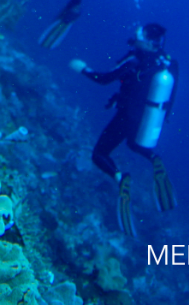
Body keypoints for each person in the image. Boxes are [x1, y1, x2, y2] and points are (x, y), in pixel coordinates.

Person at [69, 23, 178, 237]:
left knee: (99, 154)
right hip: (147, 119)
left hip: (126, 118)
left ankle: (120, 177)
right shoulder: (167, 63)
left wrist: (82, 68)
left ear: (147, 41)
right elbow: (165, 97)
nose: (135, 36)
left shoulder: (134, 60)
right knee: (134, 144)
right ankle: (153, 157)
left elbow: (104, 79)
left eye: (140, 34)